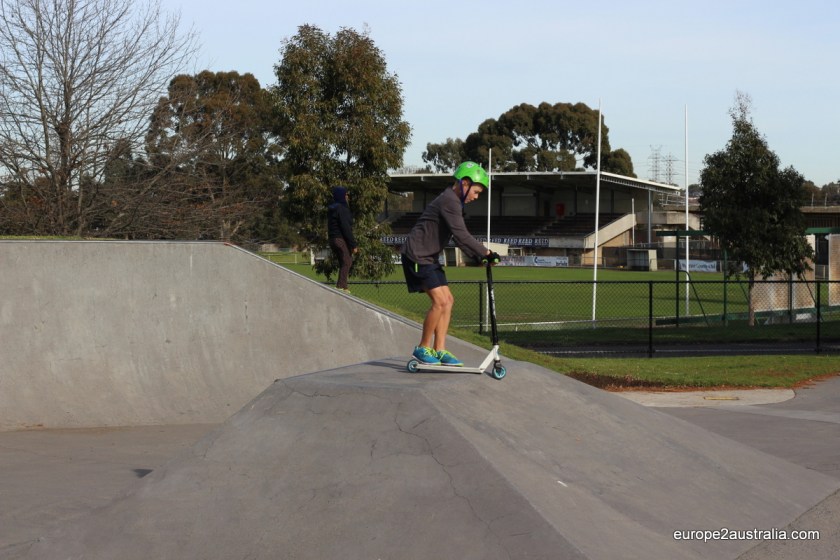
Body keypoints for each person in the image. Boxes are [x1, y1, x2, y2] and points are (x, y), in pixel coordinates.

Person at [401, 161, 500, 366]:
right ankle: (422, 348)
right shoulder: (450, 201)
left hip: (429, 257)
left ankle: (440, 350)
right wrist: (486, 253)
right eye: (476, 191)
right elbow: (462, 235)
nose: (476, 196)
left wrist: (478, 257)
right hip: (418, 255)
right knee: (439, 302)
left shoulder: (454, 202)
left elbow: (458, 238)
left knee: (448, 300)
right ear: (465, 183)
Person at [327, 186, 358, 292]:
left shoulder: (332, 208)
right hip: (340, 239)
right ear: (342, 196)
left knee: (343, 261)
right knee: (347, 261)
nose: (347, 196)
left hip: (332, 239)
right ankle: (340, 286)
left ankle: (344, 286)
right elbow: (346, 228)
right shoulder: (342, 208)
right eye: (346, 194)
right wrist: (353, 245)